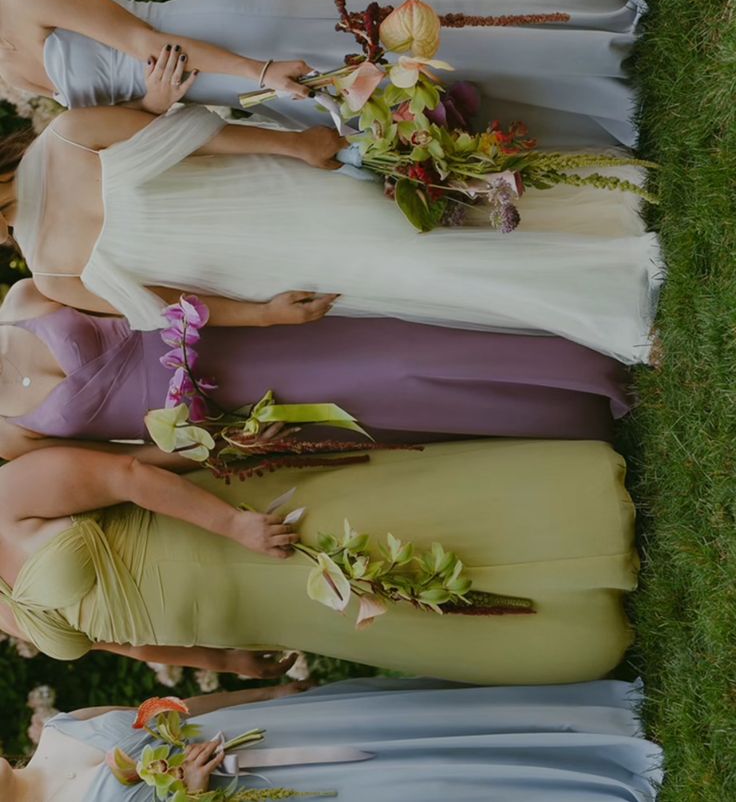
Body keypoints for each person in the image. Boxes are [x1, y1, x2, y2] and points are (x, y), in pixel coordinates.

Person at [3, 99, 660, 361]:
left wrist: (295, 147)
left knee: (434, 225)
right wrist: (262, 316)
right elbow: (173, 306)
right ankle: (617, 294)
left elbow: (197, 136)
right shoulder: (53, 276)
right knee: (434, 276)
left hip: (280, 192)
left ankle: (611, 212)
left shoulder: (68, 136)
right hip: (266, 272)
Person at [0, 437, 638, 681]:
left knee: (407, 532)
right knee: (397, 614)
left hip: (239, 535)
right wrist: (222, 660)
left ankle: (586, 534)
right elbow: (124, 645)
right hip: (259, 616)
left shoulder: (11, 495)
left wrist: (235, 525)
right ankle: (578, 627)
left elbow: (129, 475)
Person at [0, 0, 646, 147]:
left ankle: (587, 43)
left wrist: (260, 71)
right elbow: (119, 117)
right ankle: (589, 115)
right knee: (392, 94)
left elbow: (147, 45)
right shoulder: (7, 76)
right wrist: (151, 104)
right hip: (219, 90)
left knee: (406, 42)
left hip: (233, 35)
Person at [0, 276, 631, 460]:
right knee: (388, 406)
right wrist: (223, 446)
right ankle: (573, 414)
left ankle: (586, 359)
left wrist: (262, 315)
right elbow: (119, 466)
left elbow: (148, 298)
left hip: (232, 342)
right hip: (231, 414)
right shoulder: (9, 434)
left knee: (401, 356)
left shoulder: (23, 302)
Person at [1, 677, 663, 802]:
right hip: (268, 792)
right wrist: (191, 794)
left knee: (408, 729)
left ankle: (589, 723)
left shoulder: (61, 727)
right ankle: (589, 783)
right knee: (422, 788)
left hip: (268, 730)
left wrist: (269, 696)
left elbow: (175, 708)